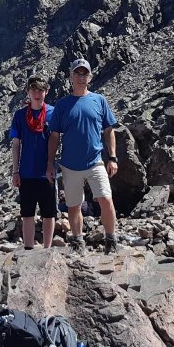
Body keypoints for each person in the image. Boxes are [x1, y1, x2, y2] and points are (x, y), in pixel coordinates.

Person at [46, 58, 120, 253]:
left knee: (106, 199)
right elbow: (54, 135)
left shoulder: (99, 100)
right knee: (74, 205)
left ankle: (111, 240)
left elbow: (109, 130)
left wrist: (112, 157)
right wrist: (49, 163)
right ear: (70, 77)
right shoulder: (62, 105)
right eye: (77, 74)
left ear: (90, 76)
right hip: (70, 165)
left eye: (84, 73)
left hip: (95, 162)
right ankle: (78, 242)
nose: (81, 77)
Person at [10, 75, 56, 249]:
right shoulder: (20, 116)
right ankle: (28, 249)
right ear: (28, 91)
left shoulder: (54, 113)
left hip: (47, 172)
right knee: (27, 213)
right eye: (34, 89)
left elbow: (59, 139)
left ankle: (47, 249)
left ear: (47, 91)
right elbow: (16, 144)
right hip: (26, 172)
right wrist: (15, 171)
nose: (37, 93)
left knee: (49, 213)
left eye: (41, 90)